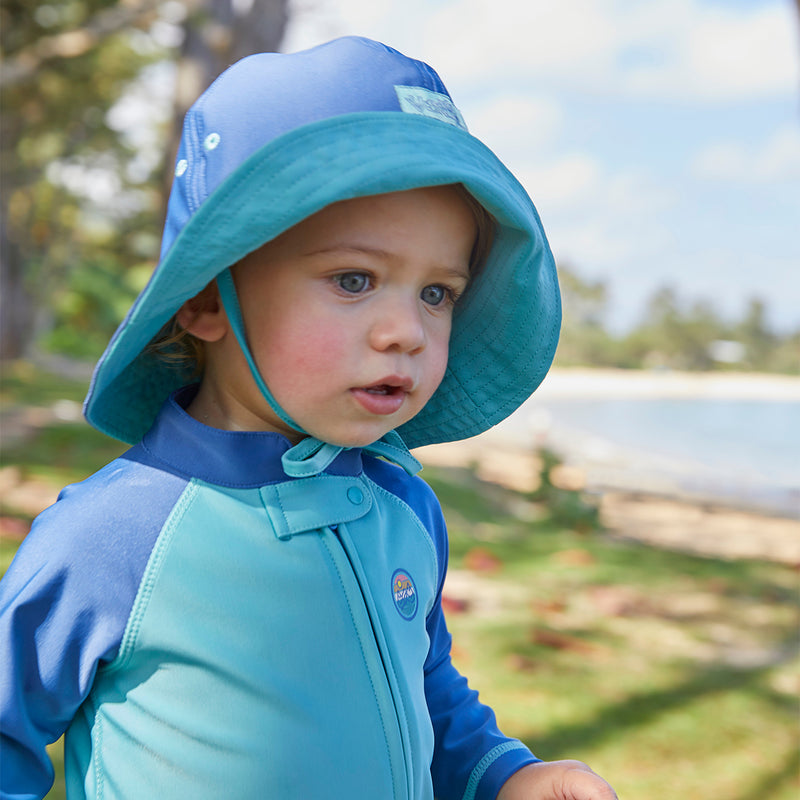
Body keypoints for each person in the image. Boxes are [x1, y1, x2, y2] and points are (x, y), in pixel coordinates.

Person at [0, 36, 617, 800]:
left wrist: (507, 774)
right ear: (203, 299)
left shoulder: (404, 508)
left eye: (437, 293)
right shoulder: (113, 537)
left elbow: (425, 692)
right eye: (354, 279)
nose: (408, 331)